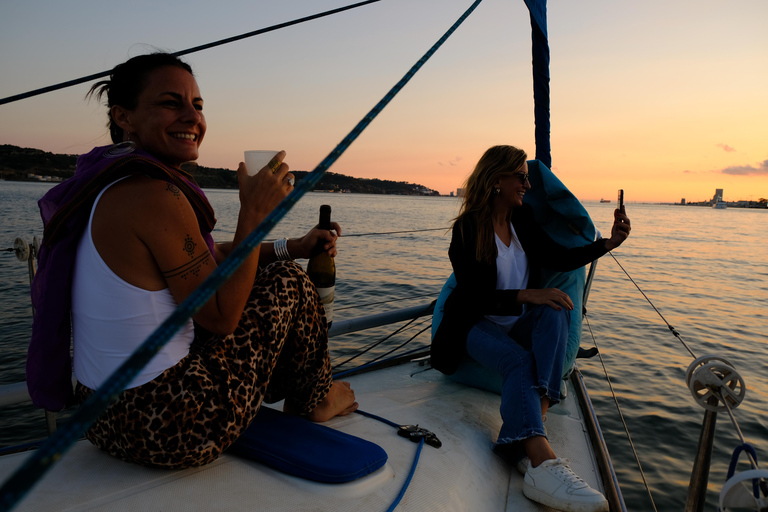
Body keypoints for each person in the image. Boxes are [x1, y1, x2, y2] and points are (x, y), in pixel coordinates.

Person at [27, 52, 357, 469]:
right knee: (287, 283)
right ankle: (317, 399)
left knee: (279, 266)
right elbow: (219, 318)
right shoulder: (155, 195)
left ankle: (307, 388)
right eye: (170, 103)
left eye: (197, 106)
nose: (191, 117)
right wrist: (254, 215)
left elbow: (206, 257)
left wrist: (292, 246)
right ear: (124, 117)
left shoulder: (110, 182)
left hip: (103, 419)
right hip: (171, 426)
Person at [430, 145, 630, 512]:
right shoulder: (468, 228)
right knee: (520, 361)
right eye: (520, 177)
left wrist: (608, 244)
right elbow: (474, 297)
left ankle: (519, 436)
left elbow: (559, 256)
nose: (527, 184)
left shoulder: (522, 221)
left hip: (516, 321)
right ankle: (541, 461)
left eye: (526, 177)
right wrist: (529, 294)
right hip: (473, 323)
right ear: (496, 181)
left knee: (558, 311)